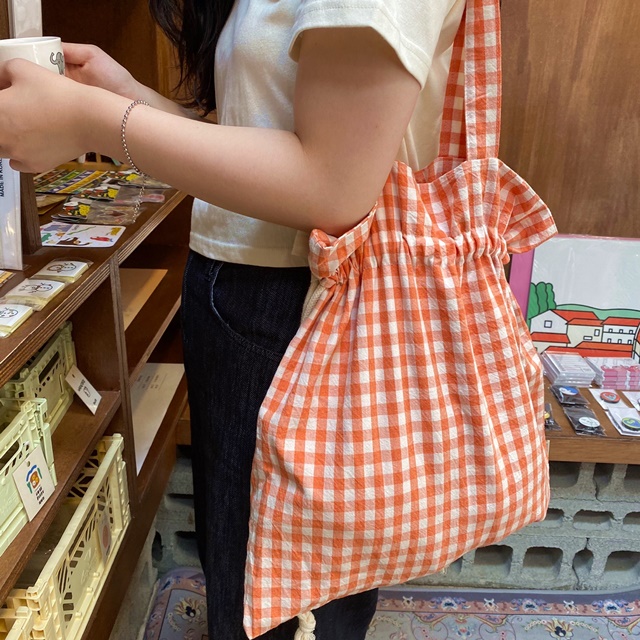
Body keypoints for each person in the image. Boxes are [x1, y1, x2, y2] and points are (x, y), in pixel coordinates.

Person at [0, 0, 465, 637]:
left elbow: (333, 185)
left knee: (282, 600)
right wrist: (128, 98)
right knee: (250, 578)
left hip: (302, 306)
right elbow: (263, 136)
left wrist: (94, 121)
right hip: (253, 297)